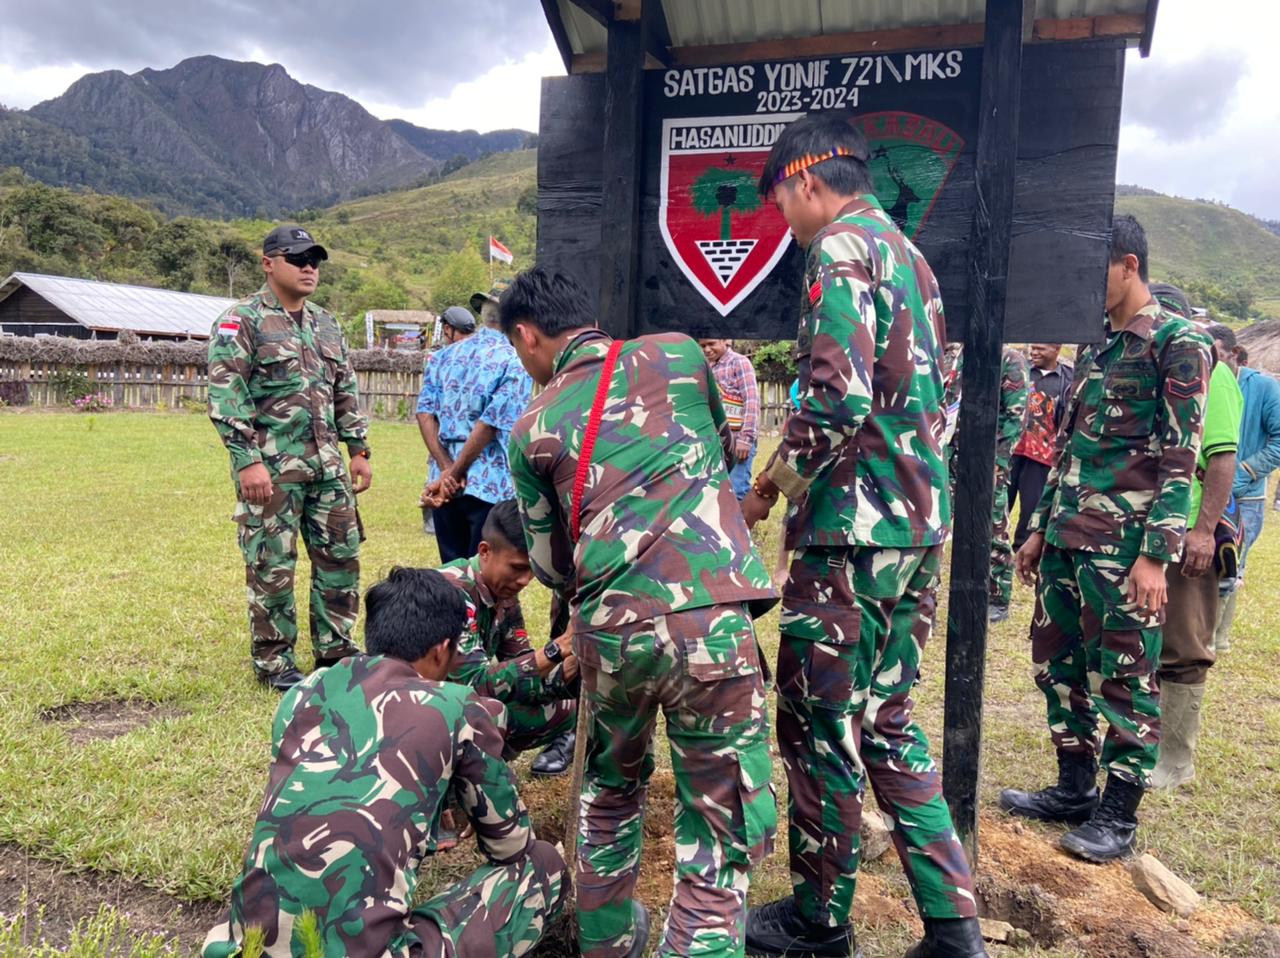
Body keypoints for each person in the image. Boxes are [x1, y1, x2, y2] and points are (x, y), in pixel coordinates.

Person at [739, 113, 986, 958]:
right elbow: (940, 403)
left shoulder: (840, 252)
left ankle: (820, 920)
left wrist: (767, 490)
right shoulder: (915, 263)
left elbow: (833, 402)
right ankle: (954, 927)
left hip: (849, 537)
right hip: (917, 530)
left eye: (779, 204)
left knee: (817, 726)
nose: (784, 223)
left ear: (808, 182)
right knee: (888, 720)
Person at [501, 266, 778, 958]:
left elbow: (549, 567)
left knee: (612, 793)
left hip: (613, 639)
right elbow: (717, 445)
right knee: (717, 824)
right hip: (712, 623)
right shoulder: (680, 354)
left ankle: (606, 943)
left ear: (528, 337)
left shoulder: (532, 425)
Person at [201, 567, 566, 958]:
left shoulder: (306, 691)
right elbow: (509, 845)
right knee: (543, 865)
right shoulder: (459, 707)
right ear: (443, 649)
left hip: (247, 945)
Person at [1000, 215, 1212, 863]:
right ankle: (1072, 786)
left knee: (1125, 673)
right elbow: (1066, 449)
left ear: (1127, 264)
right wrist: (1035, 532)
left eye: (1095, 272)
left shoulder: (1177, 343)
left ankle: (1118, 814)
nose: (1085, 286)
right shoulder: (1094, 348)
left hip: (1125, 548)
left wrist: (1156, 556)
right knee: (1054, 664)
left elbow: (1182, 456)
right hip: (1065, 537)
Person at [208, 225, 371, 691]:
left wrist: (358, 449)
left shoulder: (326, 322)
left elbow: (345, 390)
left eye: (315, 260)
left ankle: (336, 651)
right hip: (273, 471)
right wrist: (247, 461)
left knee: (341, 559)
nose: (308, 268)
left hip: (328, 469)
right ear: (268, 263)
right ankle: (275, 660)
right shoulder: (241, 321)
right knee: (272, 566)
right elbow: (226, 394)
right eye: (297, 258)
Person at [1150, 318, 1242, 789]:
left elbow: (1223, 453)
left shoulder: (1213, 370)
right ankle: (1146, 744)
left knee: (1183, 644)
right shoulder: (1148, 361)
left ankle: (1176, 759)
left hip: (1186, 529)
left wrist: (1204, 530)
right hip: (1144, 529)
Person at [438, 499, 578, 776]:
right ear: (485, 551)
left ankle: (478, 763)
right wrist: (555, 650)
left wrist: (567, 673)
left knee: (568, 710)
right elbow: (473, 685)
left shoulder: (502, 593)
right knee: (493, 711)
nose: (525, 580)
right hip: (424, 712)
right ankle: (463, 769)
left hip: (453, 707)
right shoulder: (453, 592)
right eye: (517, 568)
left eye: (531, 570)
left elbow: (518, 666)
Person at [417, 289, 532, 562]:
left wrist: (446, 470)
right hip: (489, 483)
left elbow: (425, 414)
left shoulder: (443, 357)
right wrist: (457, 472)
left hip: (442, 485)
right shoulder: (515, 361)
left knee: (453, 573)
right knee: (486, 574)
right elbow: (491, 422)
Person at [943, 345, 1030, 623]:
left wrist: (998, 462)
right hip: (948, 454)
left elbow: (1016, 417)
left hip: (986, 457)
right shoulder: (950, 355)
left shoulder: (1008, 358)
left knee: (992, 525)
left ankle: (997, 595)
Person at [1215, 344, 1280, 651]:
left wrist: (1242, 472)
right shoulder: (1201, 381)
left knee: (1233, 562)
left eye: (1220, 356)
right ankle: (1203, 632)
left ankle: (1219, 638)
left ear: (1237, 354)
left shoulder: (1264, 387)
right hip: (1207, 490)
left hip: (1246, 495)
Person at [1008, 344, 1075, 553]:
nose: (1034, 352)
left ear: (1056, 349)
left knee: (1031, 504)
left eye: (1040, 349)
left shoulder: (1067, 378)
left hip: (1042, 454)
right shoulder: (1021, 371)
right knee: (1001, 501)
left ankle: (1022, 549)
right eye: (1032, 348)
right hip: (1012, 449)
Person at [418, 305, 474, 534]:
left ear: (449, 329)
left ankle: (432, 524)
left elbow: (425, 413)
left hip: (445, 453)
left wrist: (447, 468)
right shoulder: (489, 359)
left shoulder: (438, 360)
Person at [699, 339, 761, 500]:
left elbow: (751, 400)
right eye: (703, 346)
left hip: (738, 438)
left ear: (725, 340)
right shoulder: (708, 368)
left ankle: (742, 524)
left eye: (711, 344)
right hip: (718, 440)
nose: (707, 350)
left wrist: (746, 439)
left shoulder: (739, 363)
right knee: (716, 490)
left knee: (736, 489)